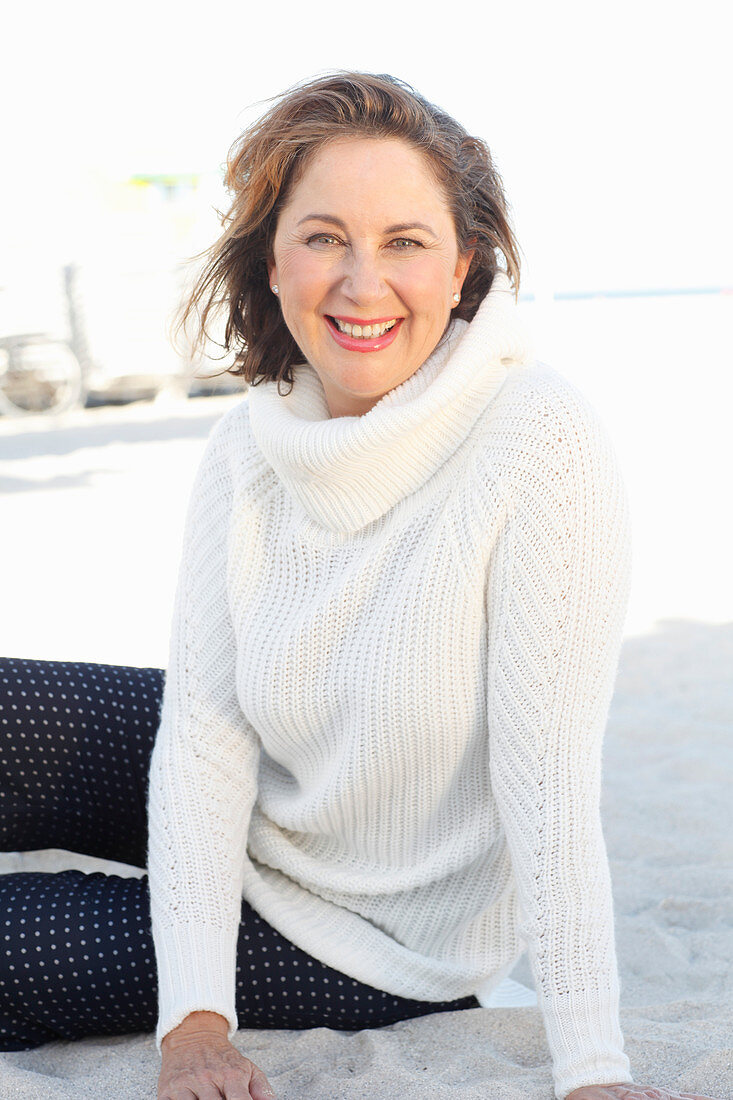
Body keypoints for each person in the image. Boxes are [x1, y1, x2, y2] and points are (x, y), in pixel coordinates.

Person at [0, 72, 721, 1100]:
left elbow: (548, 781)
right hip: (273, 801)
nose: (361, 281)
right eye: (326, 236)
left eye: (404, 241)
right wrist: (193, 1019)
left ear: (463, 262)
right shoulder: (250, 440)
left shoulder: (537, 438)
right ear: (273, 257)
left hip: (371, 936)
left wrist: (591, 1071)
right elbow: (205, 736)